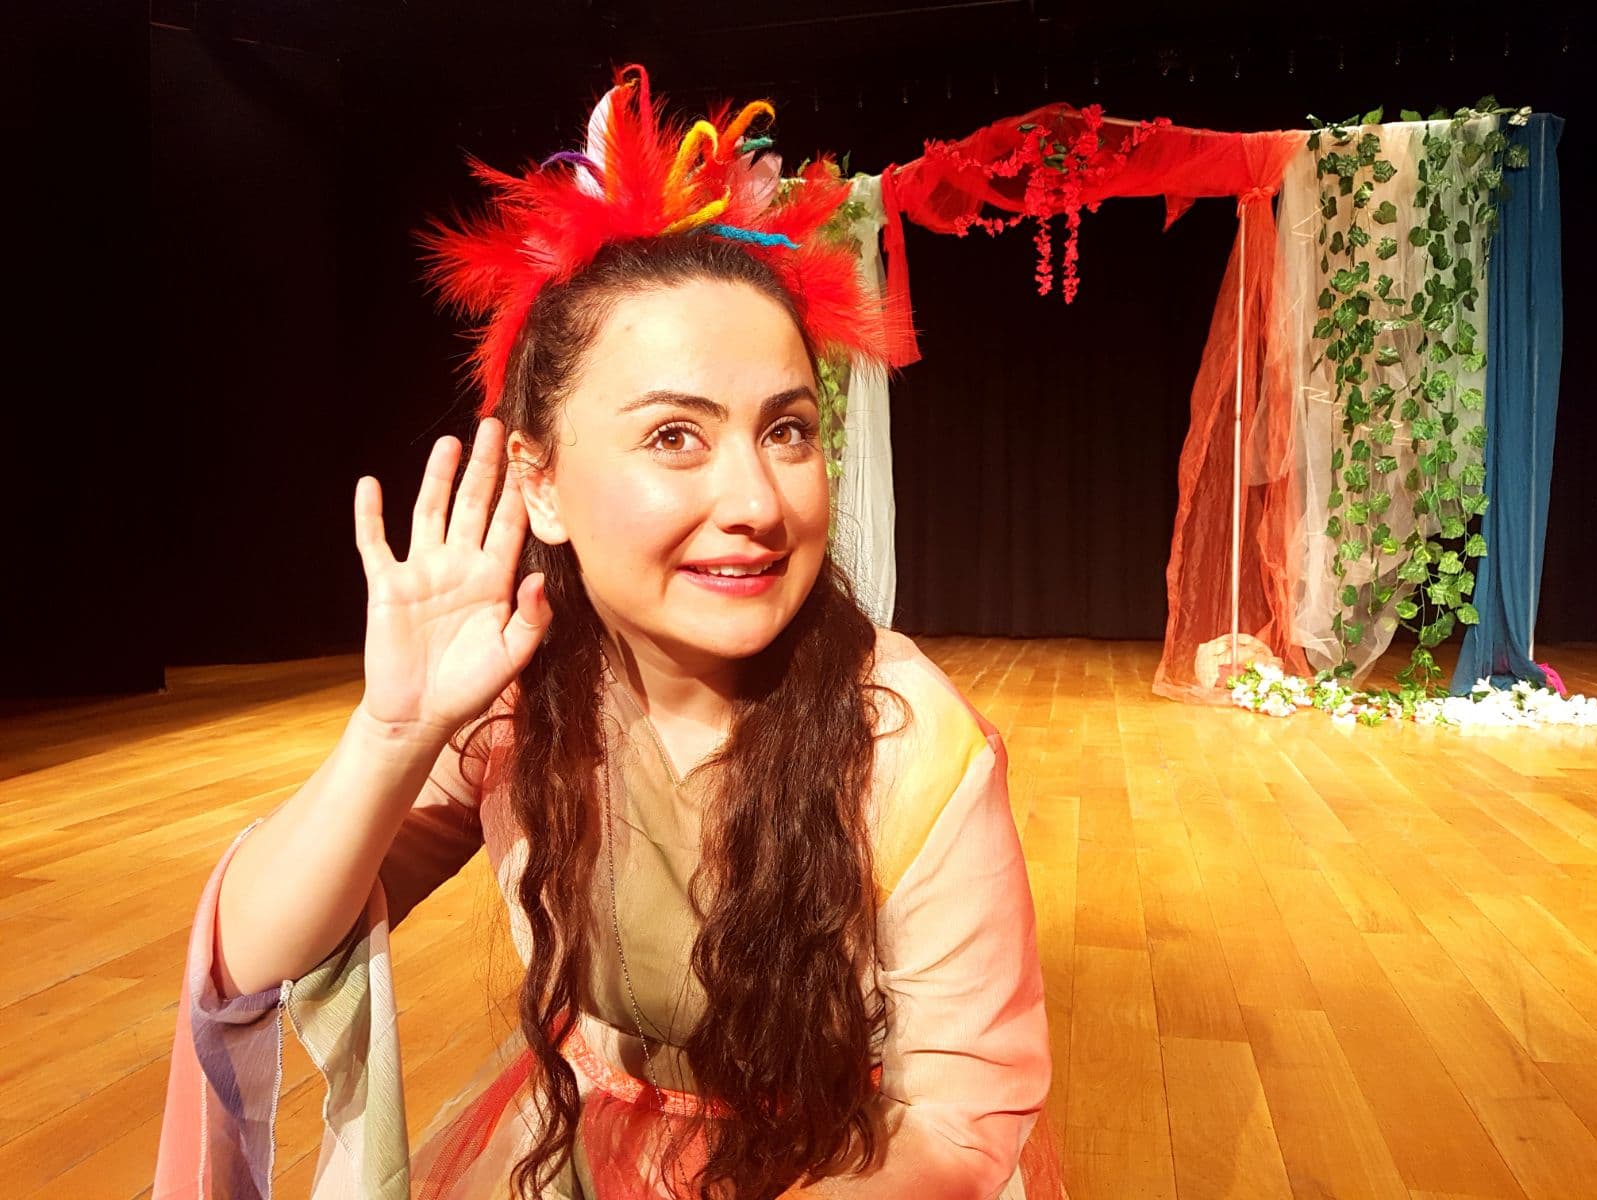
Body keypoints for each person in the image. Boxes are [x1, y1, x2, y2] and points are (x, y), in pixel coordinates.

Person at [153, 66, 1057, 1200]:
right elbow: (252, 958)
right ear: (539, 485)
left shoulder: (909, 742)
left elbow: (957, 1124)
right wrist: (391, 736)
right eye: (675, 436)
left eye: (786, 431)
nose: (757, 501)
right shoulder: (520, 695)